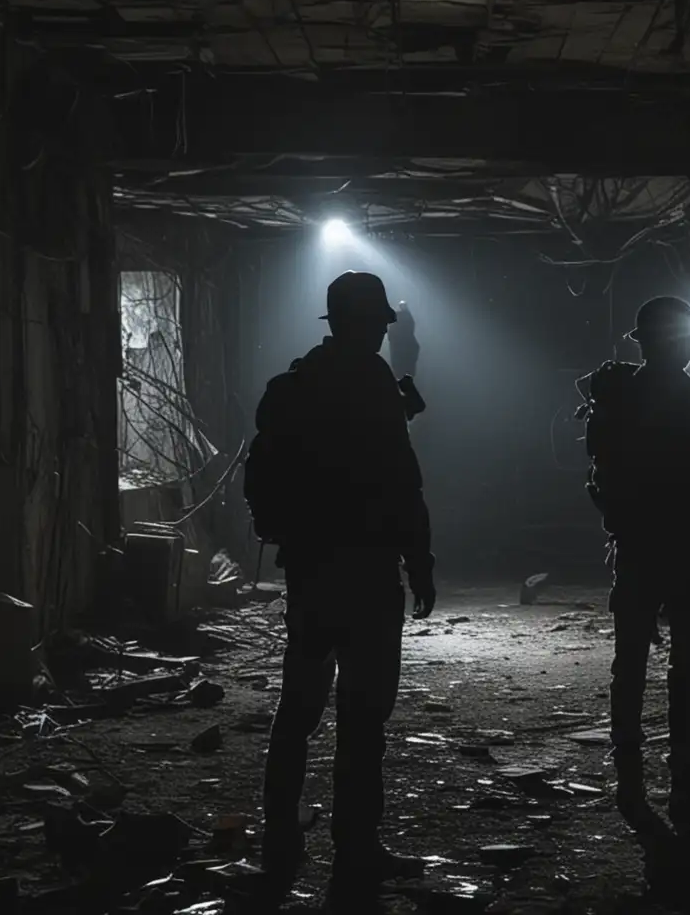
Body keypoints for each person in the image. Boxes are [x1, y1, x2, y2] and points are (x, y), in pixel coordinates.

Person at [242, 270, 437, 905]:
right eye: (379, 323)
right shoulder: (372, 382)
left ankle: (280, 836)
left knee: (298, 707)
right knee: (362, 717)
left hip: (312, 568)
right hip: (367, 569)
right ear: (365, 324)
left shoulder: (300, 382)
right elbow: (401, 481)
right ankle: (356, 847)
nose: (383, 332)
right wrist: (420, 558)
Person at [578, 296, 690, 822]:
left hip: (638, 546)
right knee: (688, 667)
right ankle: (683, 784)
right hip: (689, 547)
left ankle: (631, 784)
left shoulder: (619, 397)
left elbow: (600, 470)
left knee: (631, 666)